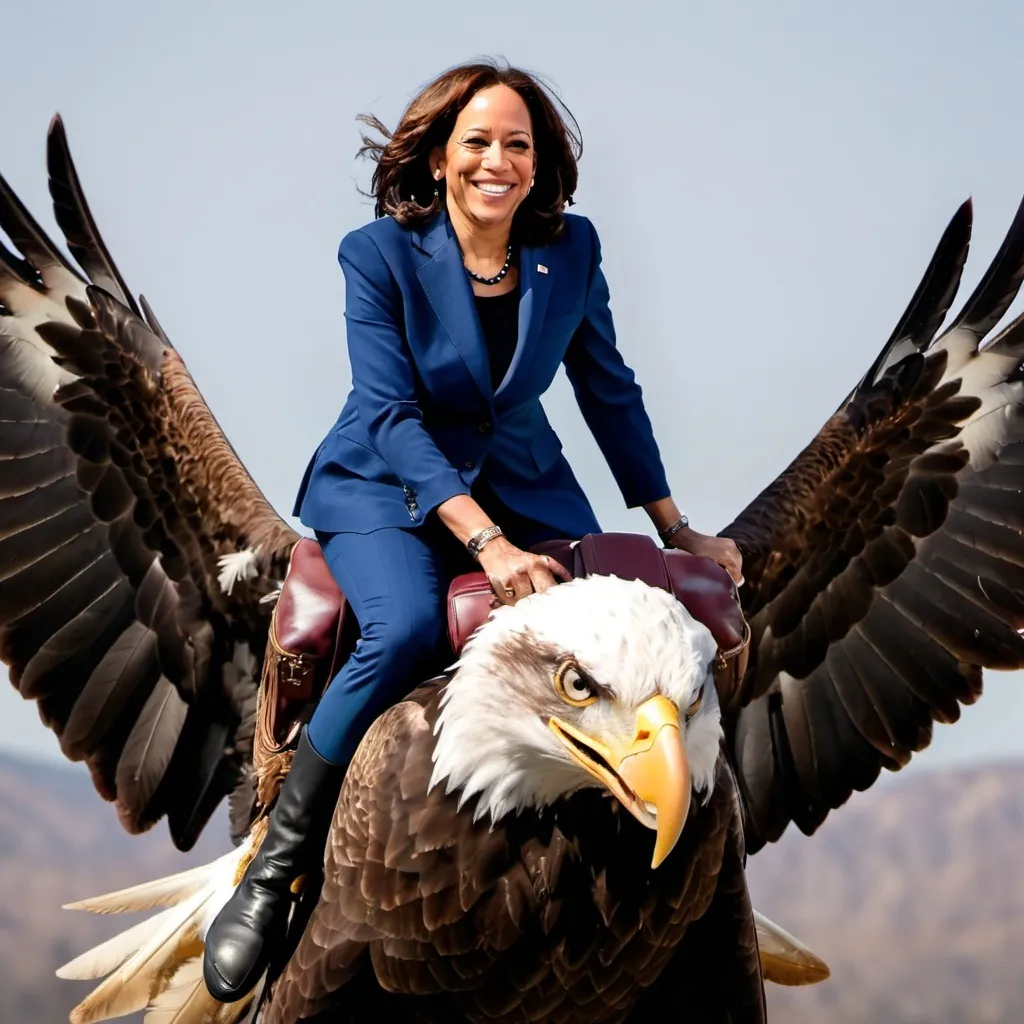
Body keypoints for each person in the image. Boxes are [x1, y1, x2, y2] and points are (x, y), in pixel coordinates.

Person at [203, 59, 743, 1002]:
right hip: (386, 482)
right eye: (479, 143)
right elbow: (388, 410)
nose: (499, 161)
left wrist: (677, 527)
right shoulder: (377, 253)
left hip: (525, 480)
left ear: (542, 162)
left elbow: (608, 391)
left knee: (642, 632)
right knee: (404, 625)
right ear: (441, 158)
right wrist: (486, 543)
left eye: (518, 144)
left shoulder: (568, 250)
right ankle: (274, 871)